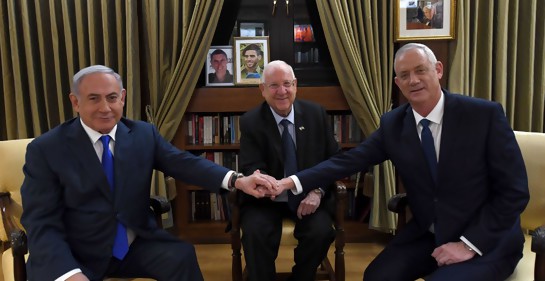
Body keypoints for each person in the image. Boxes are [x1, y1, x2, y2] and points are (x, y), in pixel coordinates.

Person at [276, 43, 530, 281]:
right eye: (405, 75)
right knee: (376, 276)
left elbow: (515, 192)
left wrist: (468, 244)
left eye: (421, 71)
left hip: (487, 237)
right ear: (398, 83)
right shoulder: (394, 124)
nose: (414, 80)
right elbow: (349, 161)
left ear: (438, 70)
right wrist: (290, 182)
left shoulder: (483, 115)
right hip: (430, 234)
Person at [20, 65, 277, 281]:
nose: (105, 108)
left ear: (122, 97)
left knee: (182, 257)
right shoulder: (46, 149)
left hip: (135, 245)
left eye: (111, 97)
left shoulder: (143, 134)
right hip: (75, 252)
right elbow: (41, 222)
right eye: (93, 98)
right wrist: (68, 273)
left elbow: (184, 163)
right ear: (75, 102)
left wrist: (237, 180)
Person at [238, 60, 340, 281]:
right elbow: (249, 164)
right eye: (274, 85)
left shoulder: (316, 114)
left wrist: (318, 191)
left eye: (287, 84)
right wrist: (265, 183)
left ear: (295, 85)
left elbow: (334, 159)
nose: (282, 91)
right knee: (255, 232)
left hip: (308, 196)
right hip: (266, 200)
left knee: (321, 232)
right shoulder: (251, 121)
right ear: (262, 90)